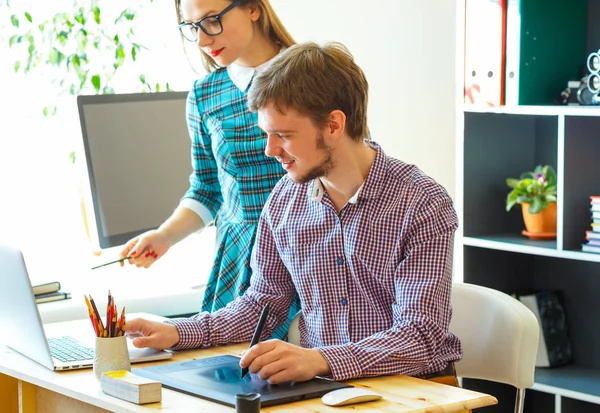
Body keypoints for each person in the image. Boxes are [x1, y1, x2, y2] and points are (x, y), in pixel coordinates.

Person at [125, 41, 462, 386]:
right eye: (267, 134)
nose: (270, 150)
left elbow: (420, 337)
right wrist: (176, 331)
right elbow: (261, 307)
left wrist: (320, 359)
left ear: (333, 125)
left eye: (283, 135)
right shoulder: (285, 200)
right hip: (330, 391)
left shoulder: (422, 202)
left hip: (418, 390)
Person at [118, 0, 300, 339]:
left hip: (307, 250)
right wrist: (164, 236)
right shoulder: (205, 95)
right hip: (239, 258)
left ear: (253, 8)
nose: (202, 40)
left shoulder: (313, 75)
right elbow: (207, 190)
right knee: (228, 376)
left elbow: (346, 171)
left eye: (212, 20)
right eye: (191, 27)